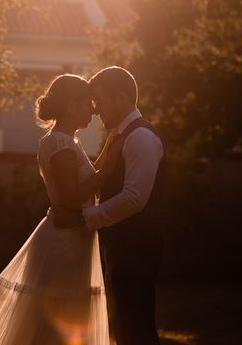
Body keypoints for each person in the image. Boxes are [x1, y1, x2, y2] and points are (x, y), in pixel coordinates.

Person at [0, 74, 118, 345]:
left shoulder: (68, 142)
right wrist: (110, 169)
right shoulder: (59, 144)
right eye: (87, 103)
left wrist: (110, 147)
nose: (93, 109)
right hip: (64, 243)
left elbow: (88, 179)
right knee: (52, 320)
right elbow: (70, 198)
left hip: (75, 239)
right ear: (71, 106)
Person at [54, 66, 165, 345]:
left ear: (122, 98)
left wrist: (83, 218)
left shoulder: (140, 137)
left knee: (136, 328)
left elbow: (134, 199)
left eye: (100, 101)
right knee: (123, 329)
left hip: (136, 248)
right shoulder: (120, 137)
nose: (96, 110)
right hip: (121, 246)